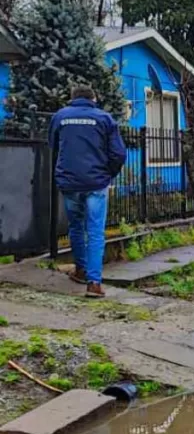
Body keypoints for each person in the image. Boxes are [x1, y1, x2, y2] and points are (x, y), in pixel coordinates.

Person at [48, 86, 126, 298]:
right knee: (95, 231)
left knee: (75, 226)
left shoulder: (60, 117)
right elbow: (118, 153)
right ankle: (94, 283)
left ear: (72, 98)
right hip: (96, 184)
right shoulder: (104, 118)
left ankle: (80, 270)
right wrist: (107, 174)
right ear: (94, 98)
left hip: (70, 183)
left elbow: (53, 147)